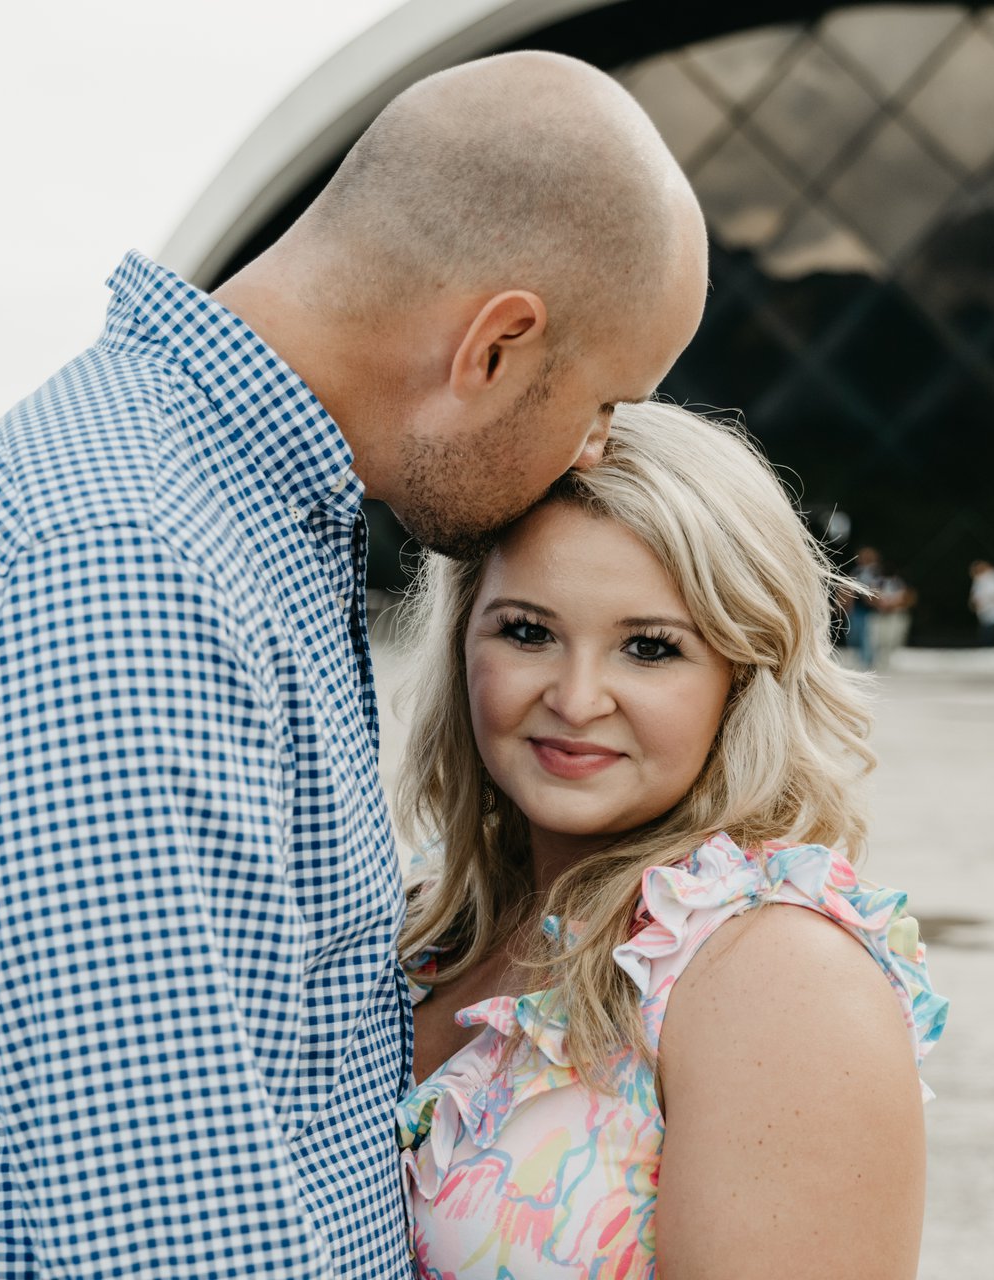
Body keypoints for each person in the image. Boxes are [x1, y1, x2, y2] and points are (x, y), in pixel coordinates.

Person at [0, 52, 709, 1280]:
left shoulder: (203, 519)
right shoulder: (121, 572)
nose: (594, 451)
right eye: (604, 403)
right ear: (496, 345)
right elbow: (172, 1236)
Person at [393, 403, 947, 1278]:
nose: (576, 700)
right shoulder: (423, 923)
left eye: (650, 648)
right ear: (463, 640)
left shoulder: (778, 976)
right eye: (528, 632)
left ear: (743, 674)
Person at [844, 544, 885, 668]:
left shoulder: (878, 572)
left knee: (868, 636)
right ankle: (861, 659)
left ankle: (867, 661)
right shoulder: (857, 571)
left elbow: (880, 590)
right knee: (855, 634)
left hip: (871, 609)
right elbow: (848, 590)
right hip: (858, 608)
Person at [871, 565, 917, 671]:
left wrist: (894, 605)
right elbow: (872, 597)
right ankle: (879, 659)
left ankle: (890, 659)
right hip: (881, 615)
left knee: (893, 638)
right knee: (879, 639)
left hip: (895, 614)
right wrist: (880, 604)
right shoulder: (877, 582)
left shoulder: (900, 583)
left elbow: (908, 597)